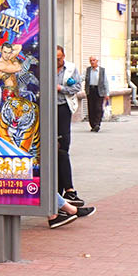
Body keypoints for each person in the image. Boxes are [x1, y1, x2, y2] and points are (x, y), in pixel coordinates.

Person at [55, 46, 84, 205]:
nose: (56, 61)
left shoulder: (70, 68)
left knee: (62, 147)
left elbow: (76, 87)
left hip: (63, 109)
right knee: (57, 151)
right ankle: (68, 191)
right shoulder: (45, 66)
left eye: (59, 58)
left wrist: (61, 88)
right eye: (54, 58)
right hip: (48, 110)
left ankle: (65, 191)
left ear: (64, 56)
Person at [83, 56, 110, 132]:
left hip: (99, 91)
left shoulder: (102, 70)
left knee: (98, 108)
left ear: (97, 61)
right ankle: (93, 125)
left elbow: (105, 82)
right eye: (91, 60)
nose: (92, 62)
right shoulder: (88, 70)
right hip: (90, 91)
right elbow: (82, 77)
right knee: (91, 109)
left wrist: (107, 93)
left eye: (94, 60)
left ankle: (97, 124)